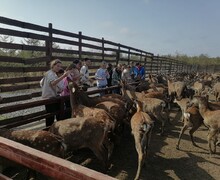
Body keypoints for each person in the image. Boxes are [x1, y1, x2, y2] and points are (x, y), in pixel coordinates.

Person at [41, 59, 71, 127]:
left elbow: (54, 85)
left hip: (53, 96)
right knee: (50, 116)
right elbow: (53, 83)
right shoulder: (50, 73)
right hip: (49, 97)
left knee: (58, 113)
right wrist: (63, 76)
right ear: (53, 65)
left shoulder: (53, 74)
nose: (59, 68)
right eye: (57, 66)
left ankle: (57, 128)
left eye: (60, 66)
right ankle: (49, 130)